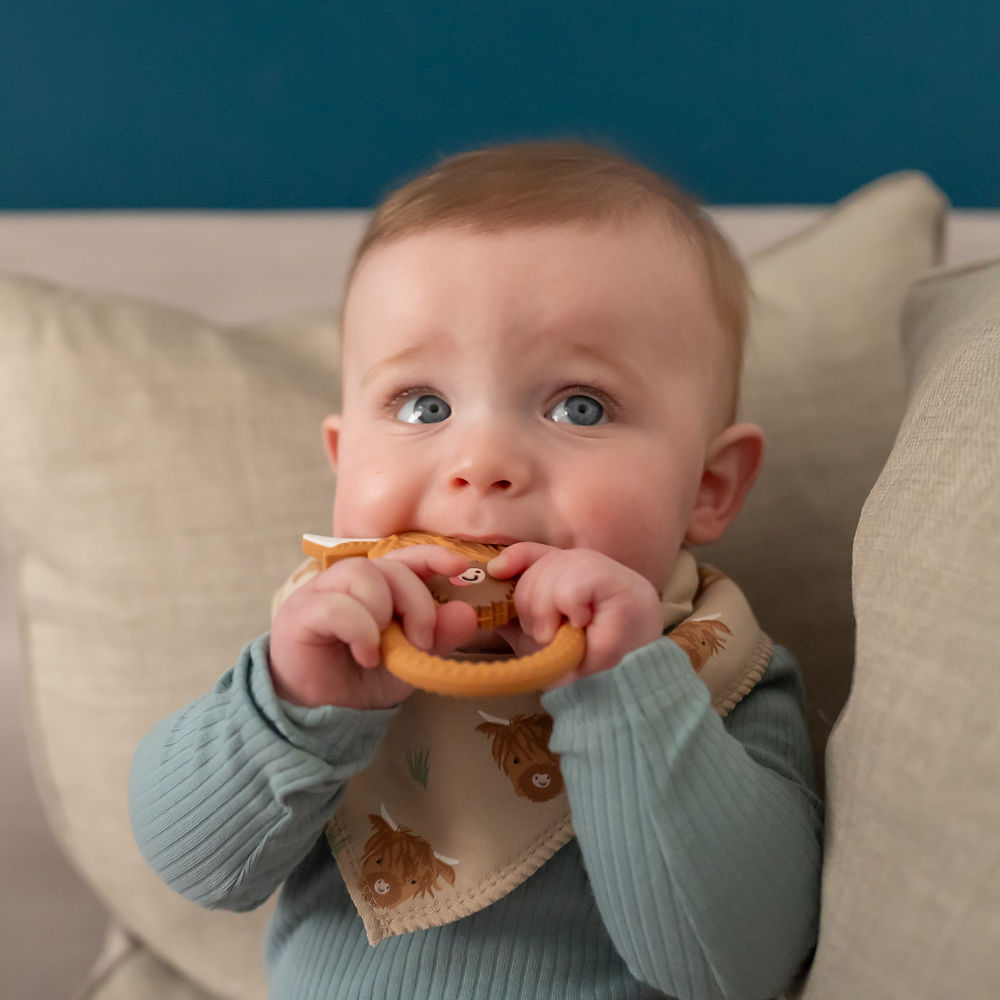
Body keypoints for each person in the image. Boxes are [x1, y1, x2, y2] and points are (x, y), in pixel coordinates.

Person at [129, 141, 823, 1000]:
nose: (483, 461)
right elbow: (201, 872)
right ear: (344, 464)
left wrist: (626, 692)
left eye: (581, 405)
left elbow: (731, 965)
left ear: (709, 489)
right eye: (423, 406)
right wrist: (293, 707)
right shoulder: (328, 642)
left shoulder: (724, 671)